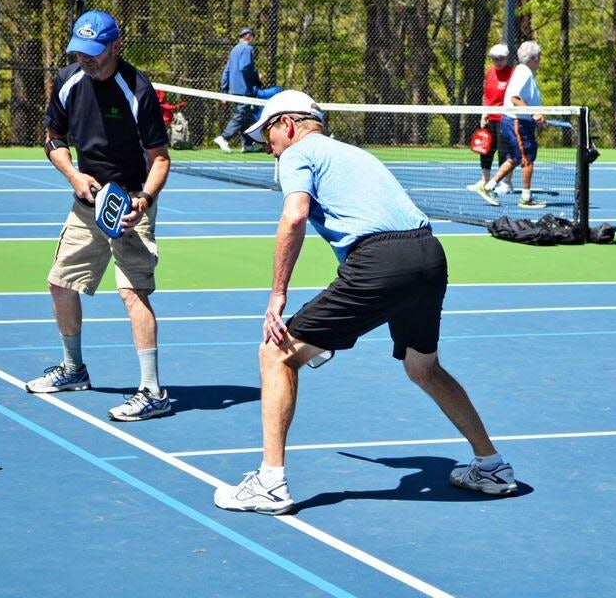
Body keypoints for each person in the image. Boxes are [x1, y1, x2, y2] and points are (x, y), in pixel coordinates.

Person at [213, 89, 517, 515]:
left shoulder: (296, 155)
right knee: (422, 367)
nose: (269, 148)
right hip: (428, 253)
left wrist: (277, 294)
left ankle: (270, 483)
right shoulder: (352, 154)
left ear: (288, 124)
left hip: (381, 261)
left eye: (268, 137)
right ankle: (492, 466)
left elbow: (295, 215)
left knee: (276, 354)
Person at [25, 9, 173, 422]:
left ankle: (152, 391)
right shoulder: (69, 81)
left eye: (94, 53)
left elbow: (160, 159)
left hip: (130, 202)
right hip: (86, 201)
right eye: (79, 52)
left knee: (132, 292)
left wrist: (142, 199)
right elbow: (53, 139)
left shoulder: (138, 90)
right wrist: (73, 175)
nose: (86, 60)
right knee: (60, 283)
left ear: (115, 46)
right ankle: (73, 370)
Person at [470, 40, 546, 210]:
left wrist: (537, 116)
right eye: (538, 57)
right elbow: (515, 98)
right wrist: (534, 114)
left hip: (519, 121)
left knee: (514, 158)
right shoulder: (524, 72)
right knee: (527, 159)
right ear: (532, 58)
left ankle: (488, 186)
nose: (540, 60)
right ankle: (526, 198)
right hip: (517, 122)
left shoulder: (524, 71)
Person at [466, 43, 513, 195]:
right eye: (494, 59)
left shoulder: (512, 74)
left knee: (504, 151)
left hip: (505, 118)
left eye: (500, 58)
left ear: (506, 58)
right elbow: (487, 95)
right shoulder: (490, 72)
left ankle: (506, 183)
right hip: (490, 117)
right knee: (486, 150)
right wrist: (484, 113)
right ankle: (485, 180)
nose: (497, 61)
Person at [215, 27, 264, 153]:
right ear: (248, 36)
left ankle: (248, 144)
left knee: (247, 117)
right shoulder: (247, 49)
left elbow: (227, 70)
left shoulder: (234, 50)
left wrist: (224, 91)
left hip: (235, 90)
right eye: (252, 36)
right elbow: (245, 67)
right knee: (241, 115)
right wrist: (256, 77)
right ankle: (224, 137)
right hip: (244, 90)